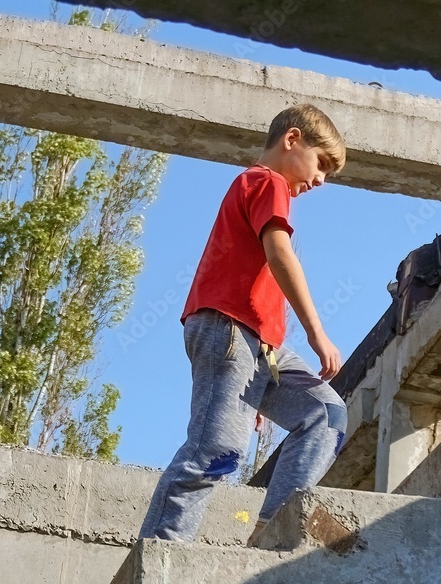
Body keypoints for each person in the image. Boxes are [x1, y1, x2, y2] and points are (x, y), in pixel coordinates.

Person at [138, 103, 348, 548]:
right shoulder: (265, 181)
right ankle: (158, 559)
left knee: (325, 414)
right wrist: (316, 331)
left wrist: (252, 395)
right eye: (321, 163)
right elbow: (280, 253)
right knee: (213, 452)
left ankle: (269, 533)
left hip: (261, 348)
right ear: (292, 140)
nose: (321, 179)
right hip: (228, 329)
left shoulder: (265, 187)